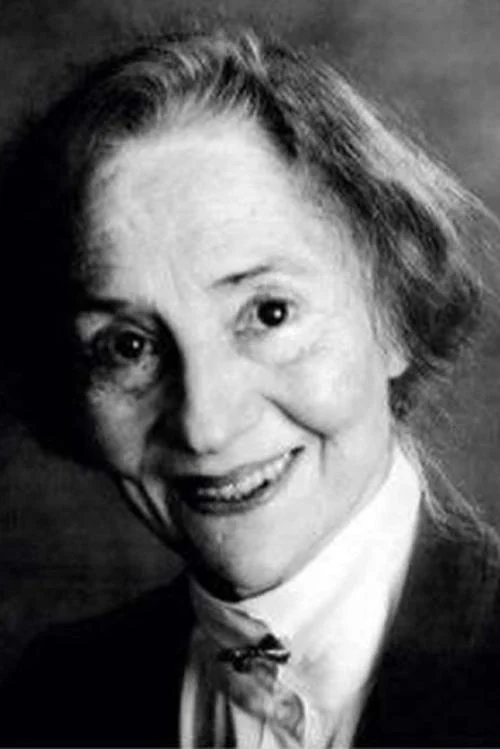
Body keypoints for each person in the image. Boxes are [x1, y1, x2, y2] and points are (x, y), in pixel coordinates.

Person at [0, 27, 499, 748]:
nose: (205, 424)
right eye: (128, 346)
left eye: (268, 313)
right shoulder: (52, 698)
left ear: (393, 310)